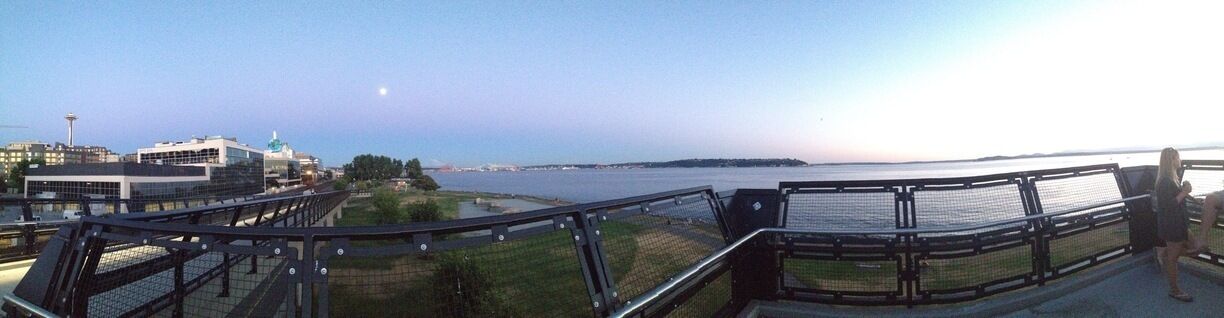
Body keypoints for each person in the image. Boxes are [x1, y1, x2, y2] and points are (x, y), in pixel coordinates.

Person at [1154, 147, 1201, 302]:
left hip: (1180, 223)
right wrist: (1185, 190)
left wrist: (1194, 199)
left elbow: (1179, 195)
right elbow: (1169, 205)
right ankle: (1175, 290)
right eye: (1177, 157)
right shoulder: (1164, 181)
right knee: (1174, 260)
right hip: (1172, 225)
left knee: (1196, 248)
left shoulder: (1172, 178)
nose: (1180, 160)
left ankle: (1165, 253)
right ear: (1171, 160)